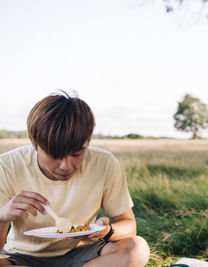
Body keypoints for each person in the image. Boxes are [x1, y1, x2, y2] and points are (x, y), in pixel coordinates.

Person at [0, 91, 150, 267]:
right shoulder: (7, 165)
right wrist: (2, 218)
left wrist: (106, 232)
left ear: (87, 141)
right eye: (55, 154)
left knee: (137, 249)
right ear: (33, 142)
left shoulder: (105, 163)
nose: (66, 165)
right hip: (22, 257)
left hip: (84, 254)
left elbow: (128, 224)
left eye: (76, 153)